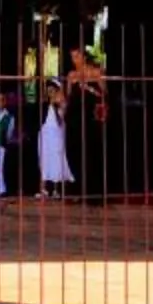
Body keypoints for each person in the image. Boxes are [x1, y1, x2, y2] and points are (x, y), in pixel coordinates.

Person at [63, 46, 110, 198]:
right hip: (75, 119)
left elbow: (104, 95)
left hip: (91, 119)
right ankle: (80, 189)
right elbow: (69, 97)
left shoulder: (96, 73)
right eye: (72, 57)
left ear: (84, 57)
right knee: (76, 152)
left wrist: (89, 88)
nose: (74, 60)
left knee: (93, 153)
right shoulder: (71, 75)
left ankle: (95, 191)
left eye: (76, 56)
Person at [35, 80, 74, 196]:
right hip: (45, 134)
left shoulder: (62, 102)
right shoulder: (46, 102)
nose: (49, 93)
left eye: (51, 90)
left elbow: (59, 120)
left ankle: (56, 190)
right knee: (44, 159)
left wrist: (54, 105)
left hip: (56, 135)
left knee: (57, 160)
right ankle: (43, 189)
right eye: (48, 91)